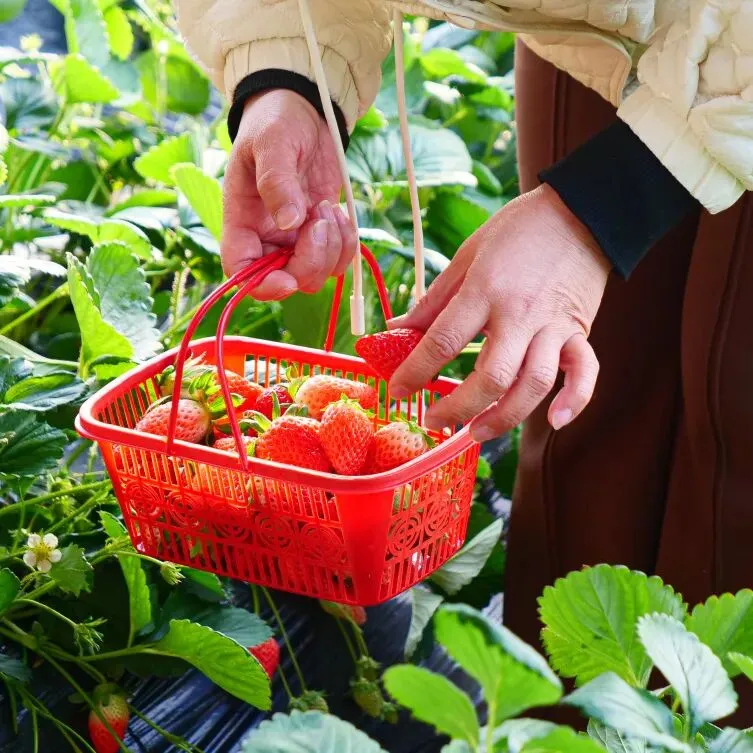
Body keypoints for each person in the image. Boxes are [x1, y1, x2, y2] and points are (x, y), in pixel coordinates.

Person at [175, 0, 753, 686]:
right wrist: (289, 75)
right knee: (575, 416)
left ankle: (706, 717)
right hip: (581, 19)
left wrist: (598, 211)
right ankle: (543, 718)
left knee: (733, 449)